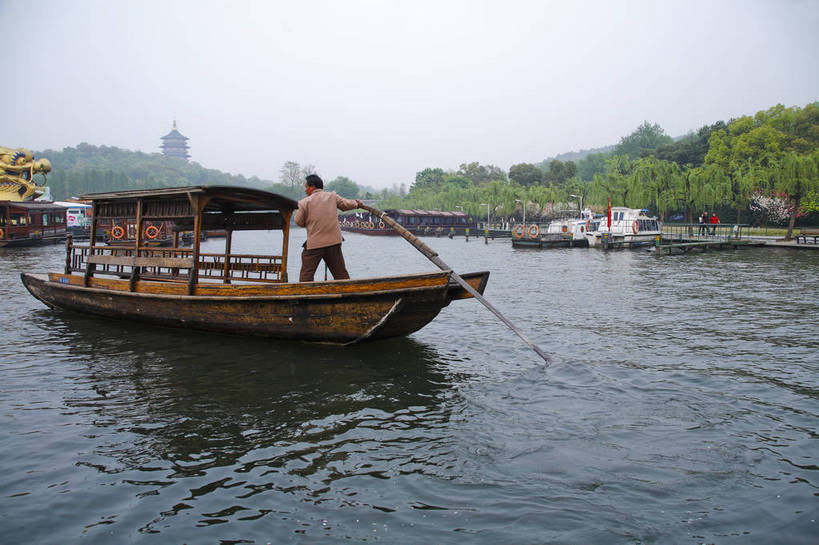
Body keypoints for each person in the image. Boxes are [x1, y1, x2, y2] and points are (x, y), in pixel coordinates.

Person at [294, 174, 362, 282]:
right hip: (333, 242)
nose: (305, 190)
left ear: (312, 187)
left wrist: (308, 224)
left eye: (306, 187)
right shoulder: (332, 196)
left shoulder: (304, 202)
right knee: (340, 273)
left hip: (315, 244)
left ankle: (304, 295)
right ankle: (347, 293)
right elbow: (347, 204)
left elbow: (298, 221)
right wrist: (357, 203)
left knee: (306, 274)